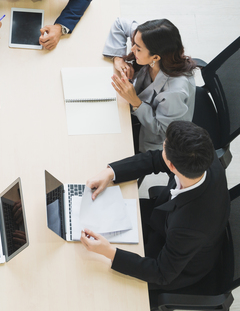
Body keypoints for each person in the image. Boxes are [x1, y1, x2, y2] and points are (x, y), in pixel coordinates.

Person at [80, 121, 230, 292]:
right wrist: (110, 172)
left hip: (171, 263)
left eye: (164, 146)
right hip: (165, 218)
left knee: (97, 280)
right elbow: (155, 159)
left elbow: (161, 273)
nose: (161, 149)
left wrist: (108, 252)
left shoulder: (190, 226)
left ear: (172, 166)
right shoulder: (202, 157)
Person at [103, 17, 197, 153]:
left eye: (138, 49)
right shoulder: (145, 39)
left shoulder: (174, 92)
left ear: (156, 57)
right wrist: (117, 57)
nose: (132, 49)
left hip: (154, 135)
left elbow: (162, 130)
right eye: (134, 43)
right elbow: (120, 24)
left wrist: (135, 102)